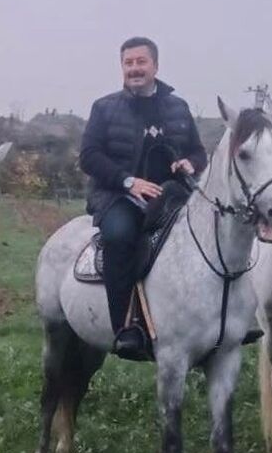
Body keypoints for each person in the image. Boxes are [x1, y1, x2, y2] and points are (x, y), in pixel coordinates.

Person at [78, 37, 207, 361]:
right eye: (128, 63)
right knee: (120, 236)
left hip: (174, 196)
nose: (134, 69)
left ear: (155, 66)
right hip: (117, 197)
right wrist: (128, 181)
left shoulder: (178, 107)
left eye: (141, 62)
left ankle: (217, 319)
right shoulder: (104, 108)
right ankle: (126, 327)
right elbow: (89, 156)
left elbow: (198, 150)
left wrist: (190, 163)